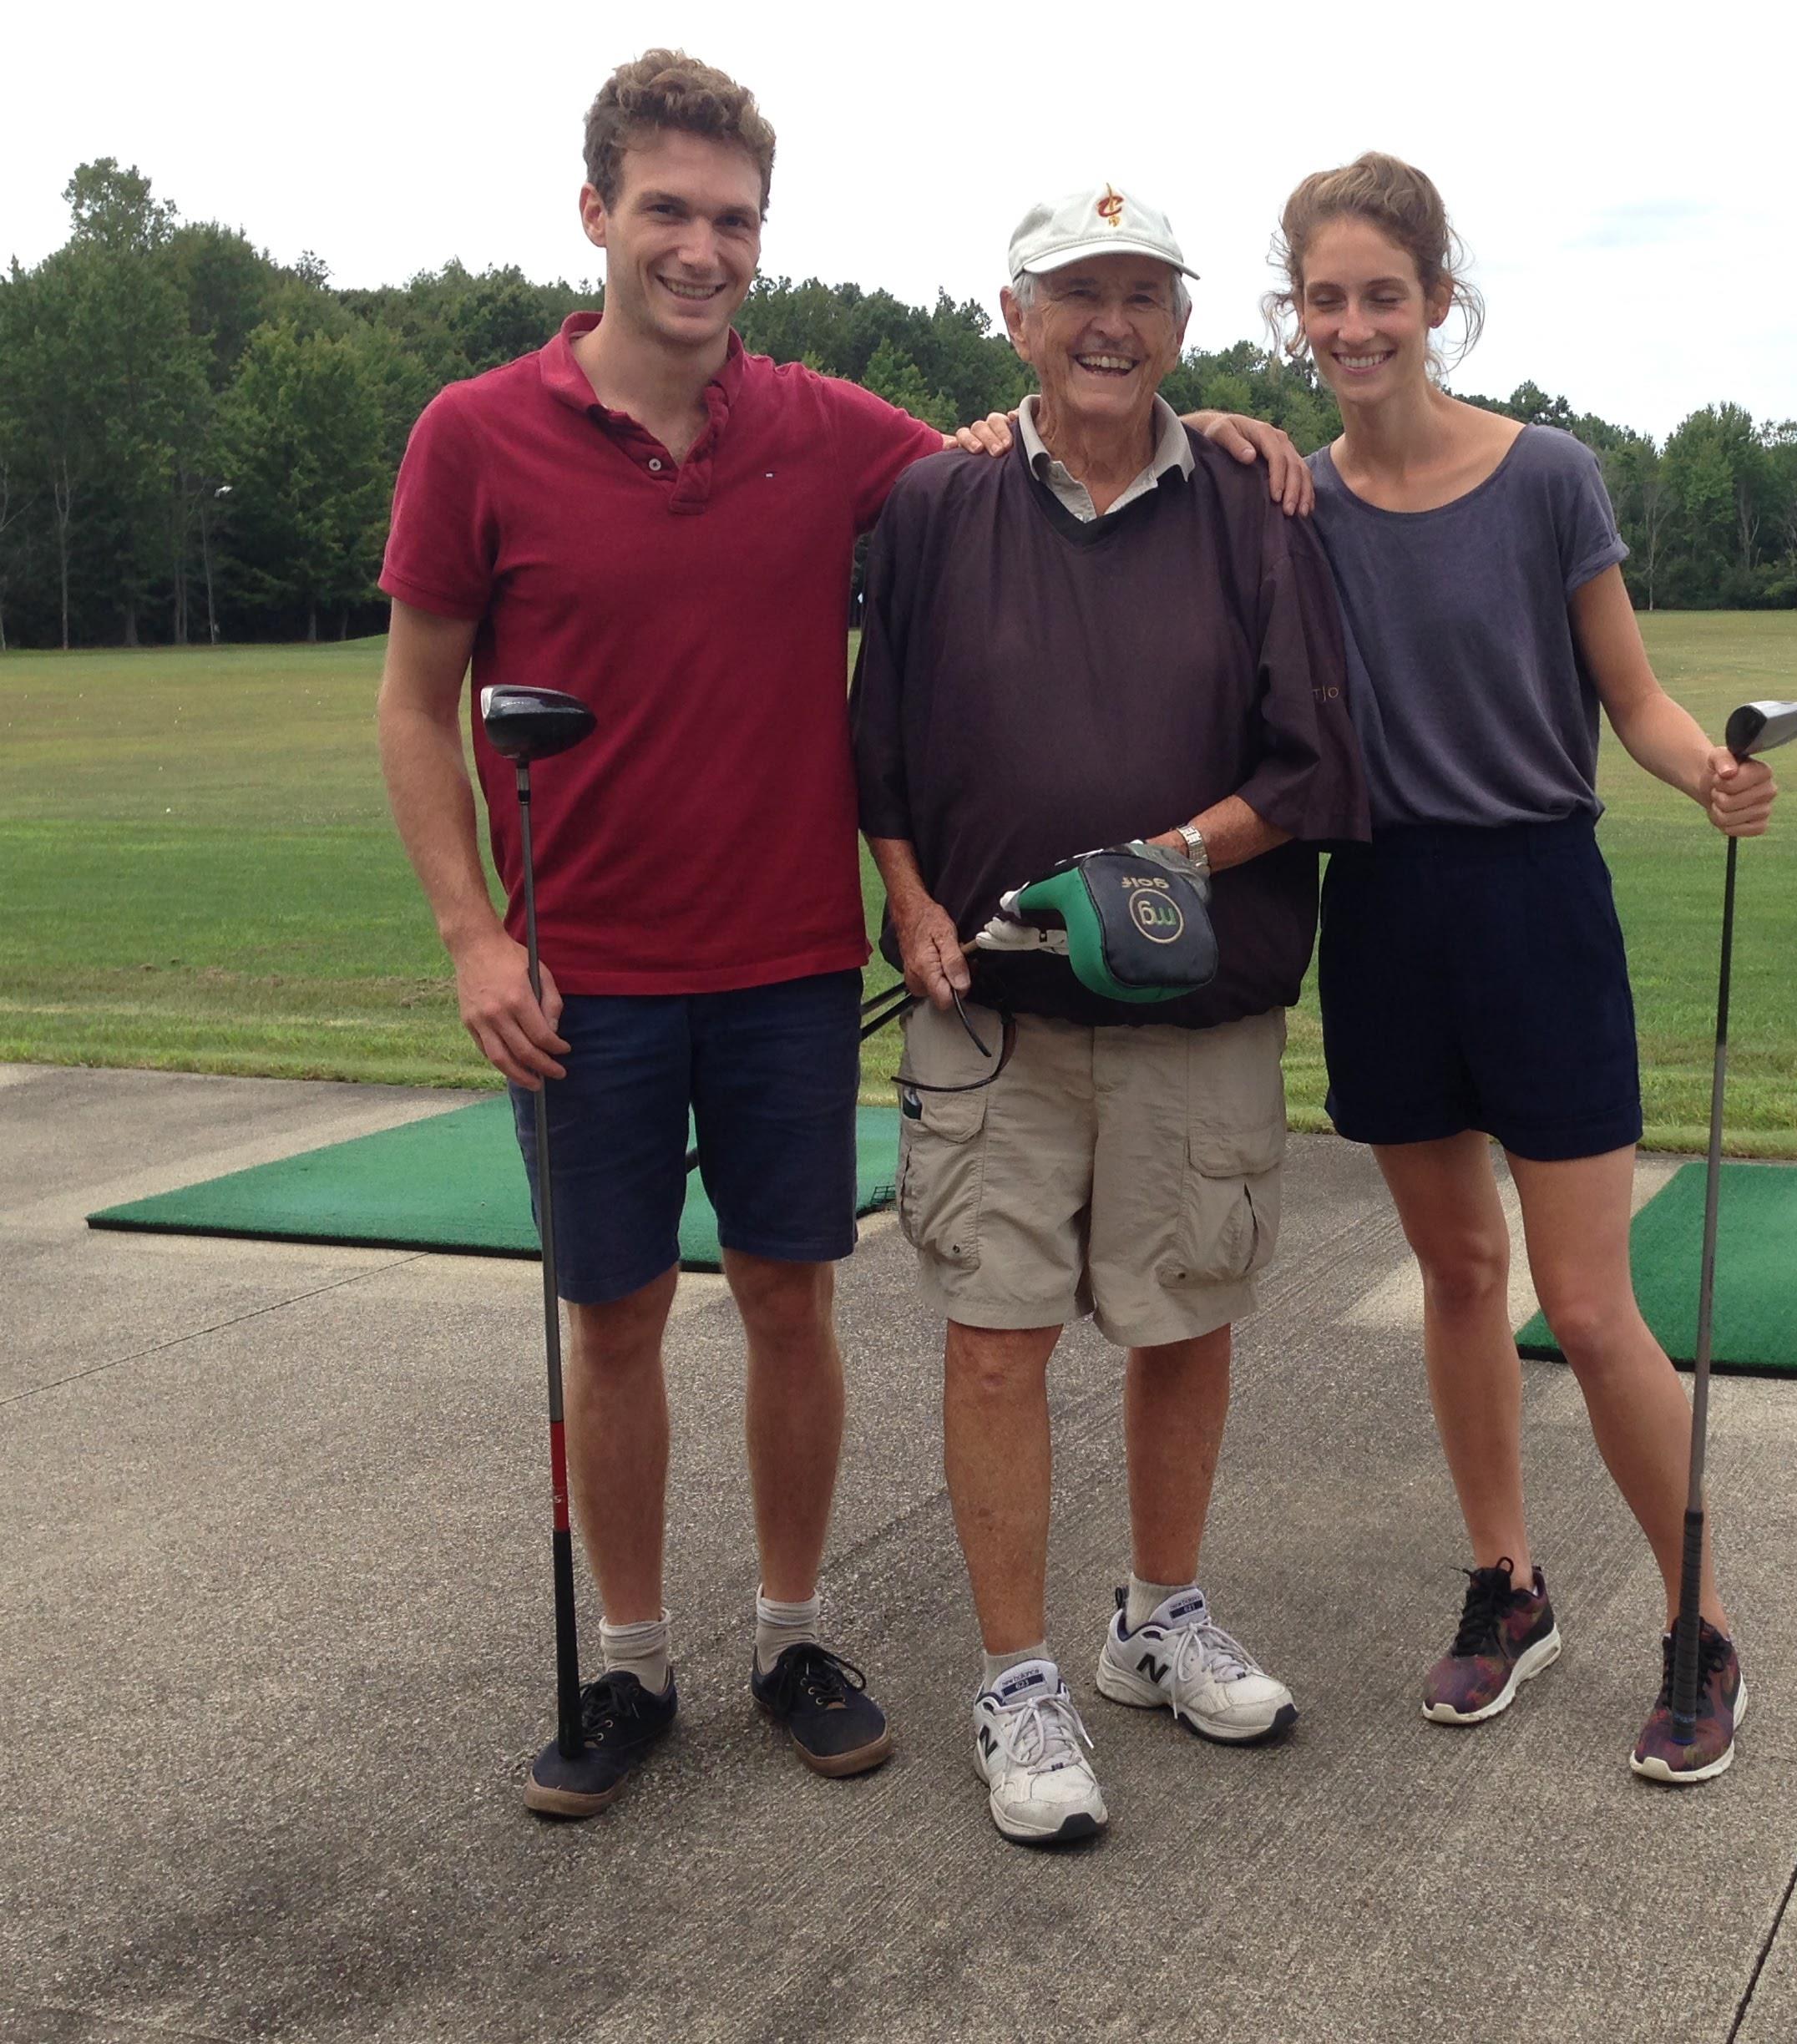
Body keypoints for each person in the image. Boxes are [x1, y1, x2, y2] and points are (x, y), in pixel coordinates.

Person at [375, 53, 1309, 1821]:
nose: (702, 247)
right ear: (598, 216)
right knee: (620, 1312)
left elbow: (1029, 448)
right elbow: (418, 706)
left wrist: (1250, 434)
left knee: (793, 1300)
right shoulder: (474, 432)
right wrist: (470, 937)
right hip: (581, 974)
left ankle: (792, 1633)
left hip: (794, 959)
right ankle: (636, 1660)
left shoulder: (832, 433)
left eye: (733, 218)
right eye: (668, 210)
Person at [851, 184, 1368, 1845]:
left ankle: (1155, 1622)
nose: (1111, 322)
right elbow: (878, 756)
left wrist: (1154, 862)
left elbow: (1314, 765)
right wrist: (917, 905)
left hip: (1196, 1005)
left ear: (1184, 325)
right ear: (1015, 318)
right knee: (996, 1340)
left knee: (1184, 1323)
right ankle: (1017, 1679)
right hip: (990, 1013)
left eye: (1144, 293)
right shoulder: (936, 503)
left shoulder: (1252, 500)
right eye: (1077, 292)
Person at [1270, 154, 1786, 1784]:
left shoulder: (1547, 473)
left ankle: (1699, 1627)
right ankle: (1508, 1584)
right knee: (1461, 1281)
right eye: (1326, 298)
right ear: (1298, 315)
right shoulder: (1295, 497)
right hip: (1387, 913)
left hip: (1538, 905)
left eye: (1382, 294)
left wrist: (1704, 765)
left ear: (1437, 299)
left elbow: (1627, 691)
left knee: (1586, 1298)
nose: (1356, 324)